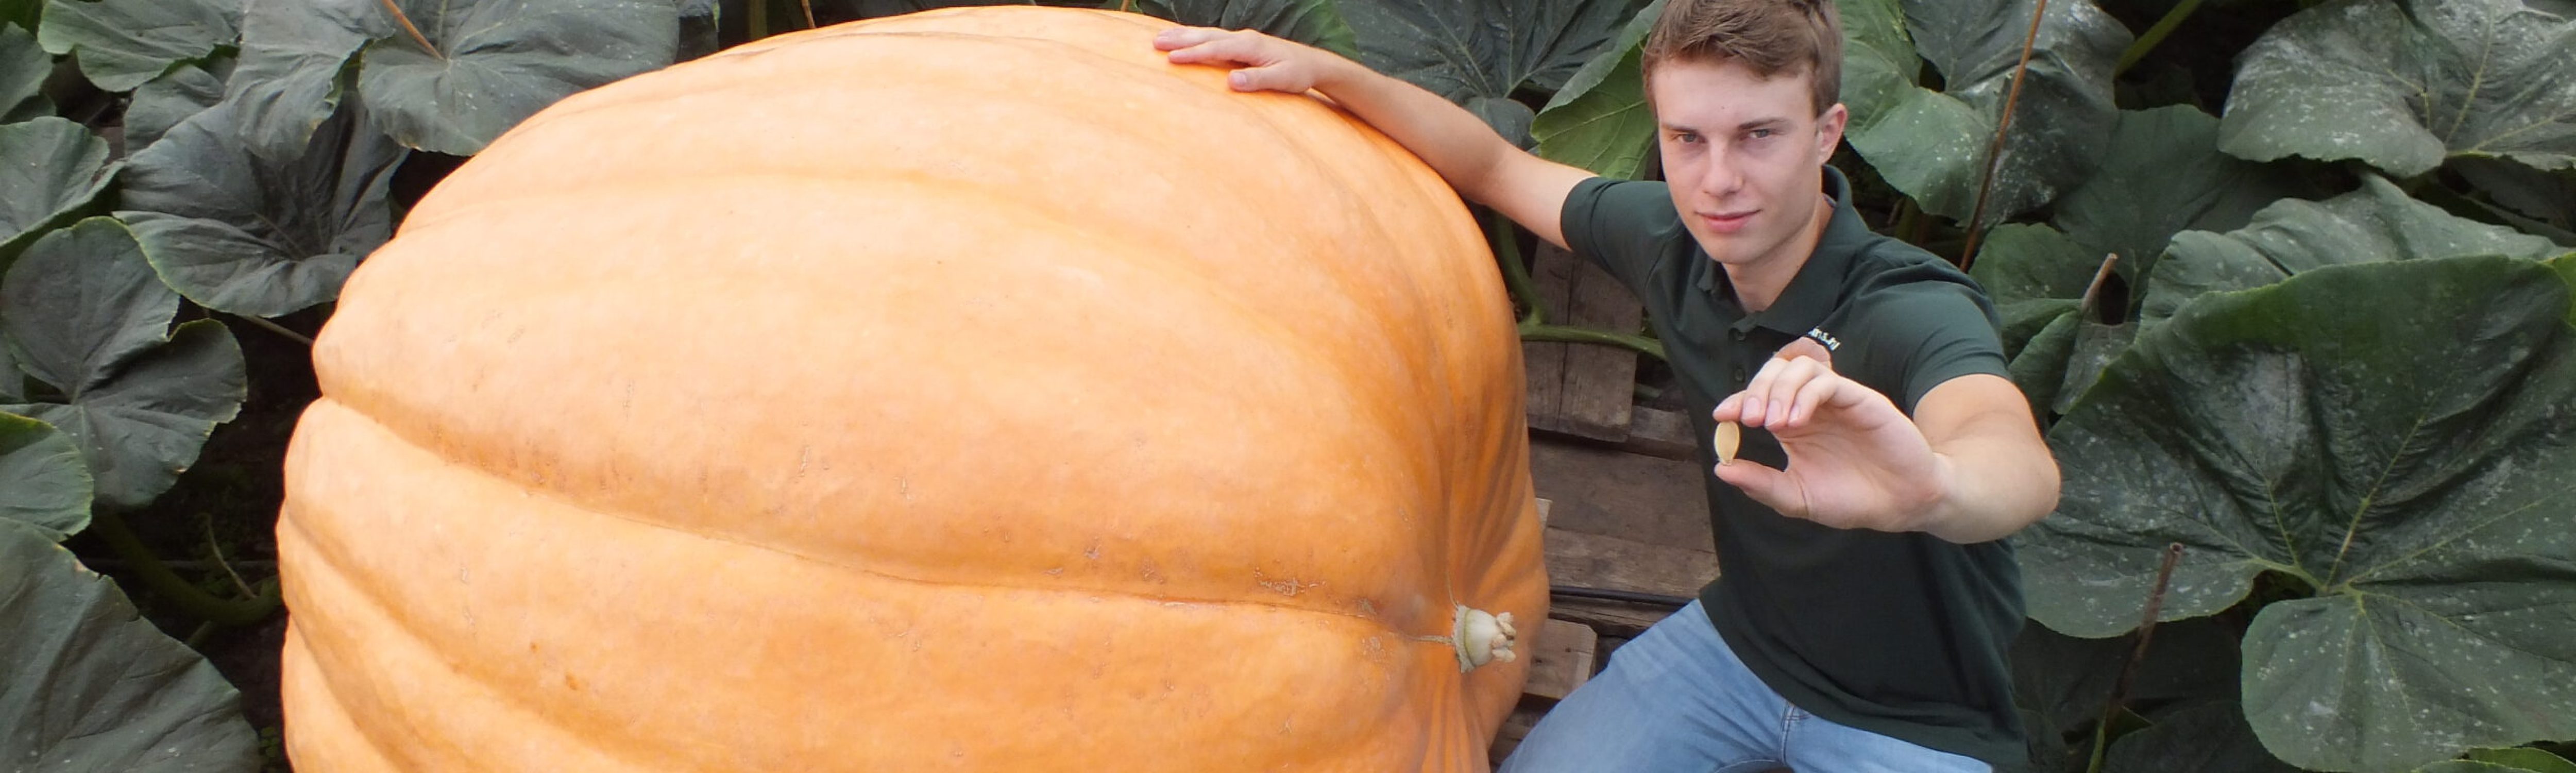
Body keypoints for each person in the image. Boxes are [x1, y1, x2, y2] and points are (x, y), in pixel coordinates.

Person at [1155, 1, 2063, 770]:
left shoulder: (1905, 303)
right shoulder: (1670, 239)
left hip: (1915, 721)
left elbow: (2004, 445)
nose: (1717, 180)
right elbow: (1497, 167)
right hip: (1740, 651)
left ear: (1826, 134)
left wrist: (1935, 489)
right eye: (1686, 138)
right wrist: (1330, 75)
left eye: (1757, 136)